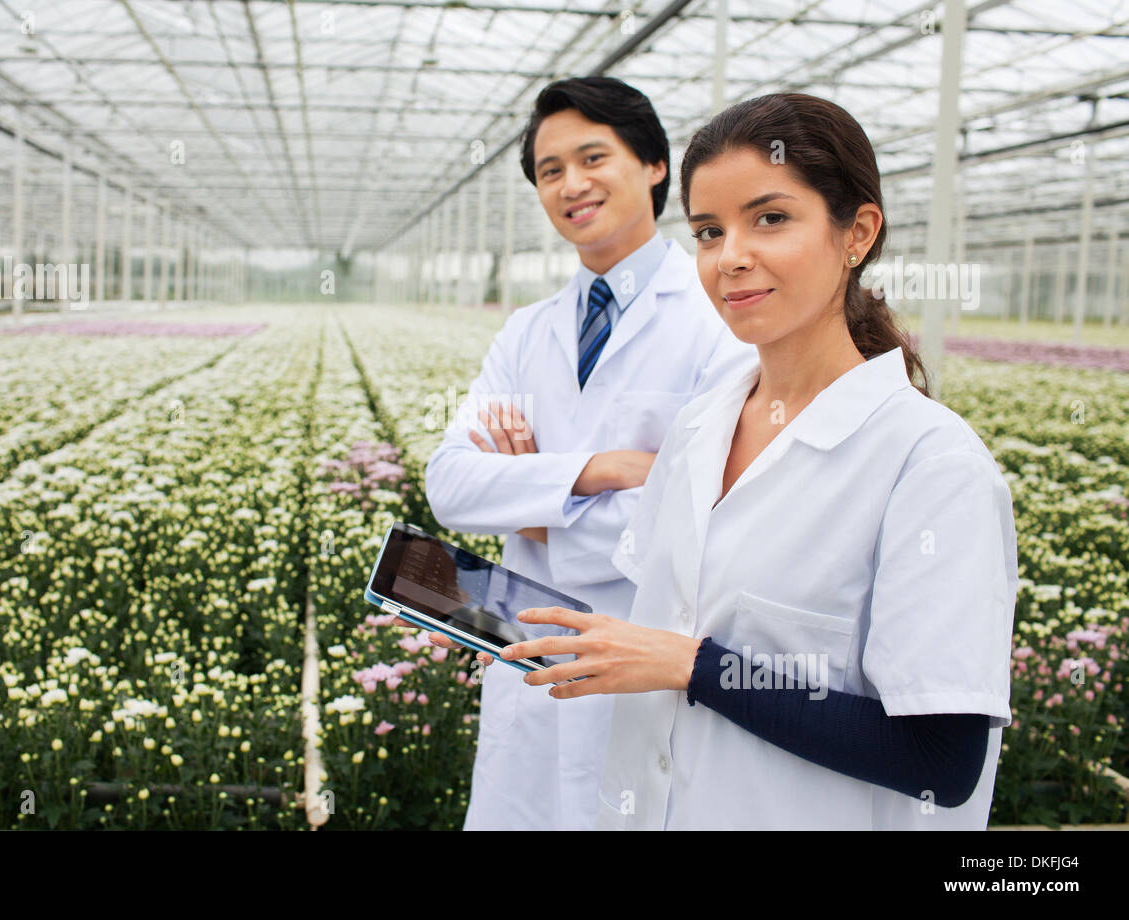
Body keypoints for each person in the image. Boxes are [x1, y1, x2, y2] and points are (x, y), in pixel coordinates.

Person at [497, 93, 1019, 830]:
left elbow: (941, 758)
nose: (731, 256)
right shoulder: (699, 430)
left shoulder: (930, 465)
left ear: (856, 233)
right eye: (709, 231)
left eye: (770, 218)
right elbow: (654, 620)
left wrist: (695, 667)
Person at [421, 76, 757, 831]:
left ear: (653, 167)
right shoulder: (526, 332)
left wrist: (536, 512)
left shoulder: (717, 322)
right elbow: (451, 485)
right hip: (525, 667)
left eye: (593, 157)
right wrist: (598, 472)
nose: (571, 184)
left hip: (646, 671)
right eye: (549, 171)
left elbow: (707, 526)